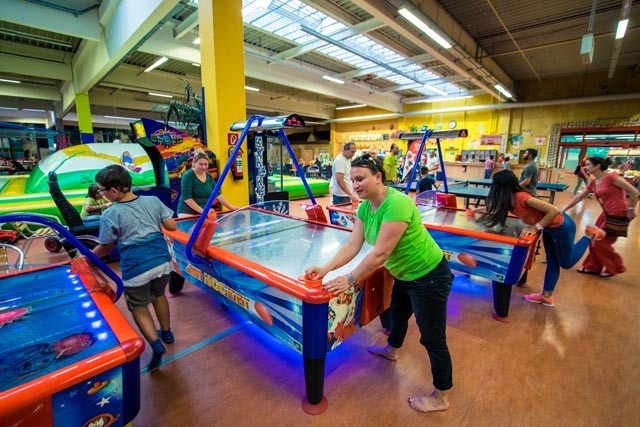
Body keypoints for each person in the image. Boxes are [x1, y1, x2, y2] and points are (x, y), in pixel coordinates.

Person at [305, 153, 454, 413]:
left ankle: (441, 397)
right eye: (352, 179)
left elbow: (380, 254)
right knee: (397, 316)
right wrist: (326, 269)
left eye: (360, 178)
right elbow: (353, 245)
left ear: (378, 177)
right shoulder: (365, 207)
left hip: (429, 276)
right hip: (404, 275)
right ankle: (391, 350)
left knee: (432, 337)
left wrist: (350, 279)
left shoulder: (396, 204)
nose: (355, 184)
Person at [90, 165, 177, 371]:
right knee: (158, 295)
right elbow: (171, 226)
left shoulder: (110, 214)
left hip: (137, 267)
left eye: (102, 190)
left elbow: (106, 246)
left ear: (114, 190)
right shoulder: (153, 201)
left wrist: (87, 257)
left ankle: (155, 344)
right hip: (162, 262)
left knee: (138, 306)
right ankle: (167, 333)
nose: (101, 193)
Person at [476, 170, 598, 307]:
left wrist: (536, 227)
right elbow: (495, 208)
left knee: (566, 263)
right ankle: (547, 297)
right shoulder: (508, 200)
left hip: (562, 227)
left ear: (502, 186)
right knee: (552, 262)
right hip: (548, 229)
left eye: (495, 184)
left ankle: (589, 235)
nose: (493, 188)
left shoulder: (522, 197)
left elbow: (554, 210)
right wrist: (475, 211)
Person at [563, 156, 638, 277]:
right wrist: (564, 209)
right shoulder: (594, 182)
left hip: (617, 214)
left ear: (597, 166)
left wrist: (631, 209)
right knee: (593, 238)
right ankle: (593, 267)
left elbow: (634, 191)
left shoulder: (611, 177)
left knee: (600, 242)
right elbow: (579, 197)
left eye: (588, 165)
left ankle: (616, 267)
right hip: (606, 213)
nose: (585, 167)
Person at [177, 150, 237, 217]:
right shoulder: (188, 176)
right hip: (187, 213)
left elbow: (217, 194)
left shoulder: (209, 176)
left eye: (206, 164)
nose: (204, 167)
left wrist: (231, 207)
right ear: (194, 163)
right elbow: (187, 198)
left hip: (203, 212)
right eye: (201, 164)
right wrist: (204, 212)